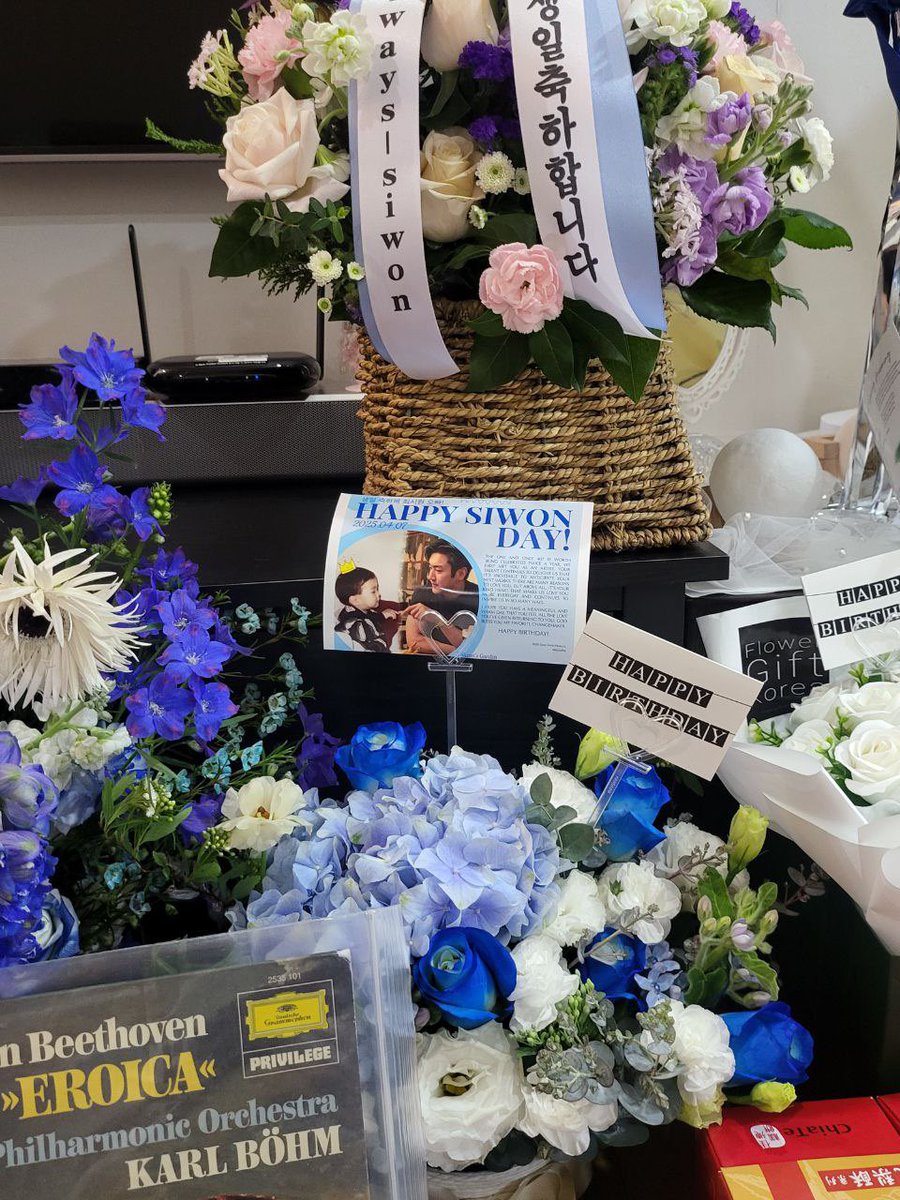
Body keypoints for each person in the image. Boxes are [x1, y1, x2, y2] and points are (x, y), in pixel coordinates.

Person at [405, 540, 480, 655]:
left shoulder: (479, 599)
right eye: (430, 568)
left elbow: (475, 647)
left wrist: (438, 620)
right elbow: (414, 641)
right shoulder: (422, 594)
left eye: (438, 570)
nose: (430, 576)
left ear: (460, 574)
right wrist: (456, 651)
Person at [334, 566, 402, 653]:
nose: (379, 594)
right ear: (355, 600)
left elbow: (370, 616)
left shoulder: (363, 610)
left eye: (377, 589)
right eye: (373, 591)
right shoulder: (355, 623)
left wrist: (382, 615)